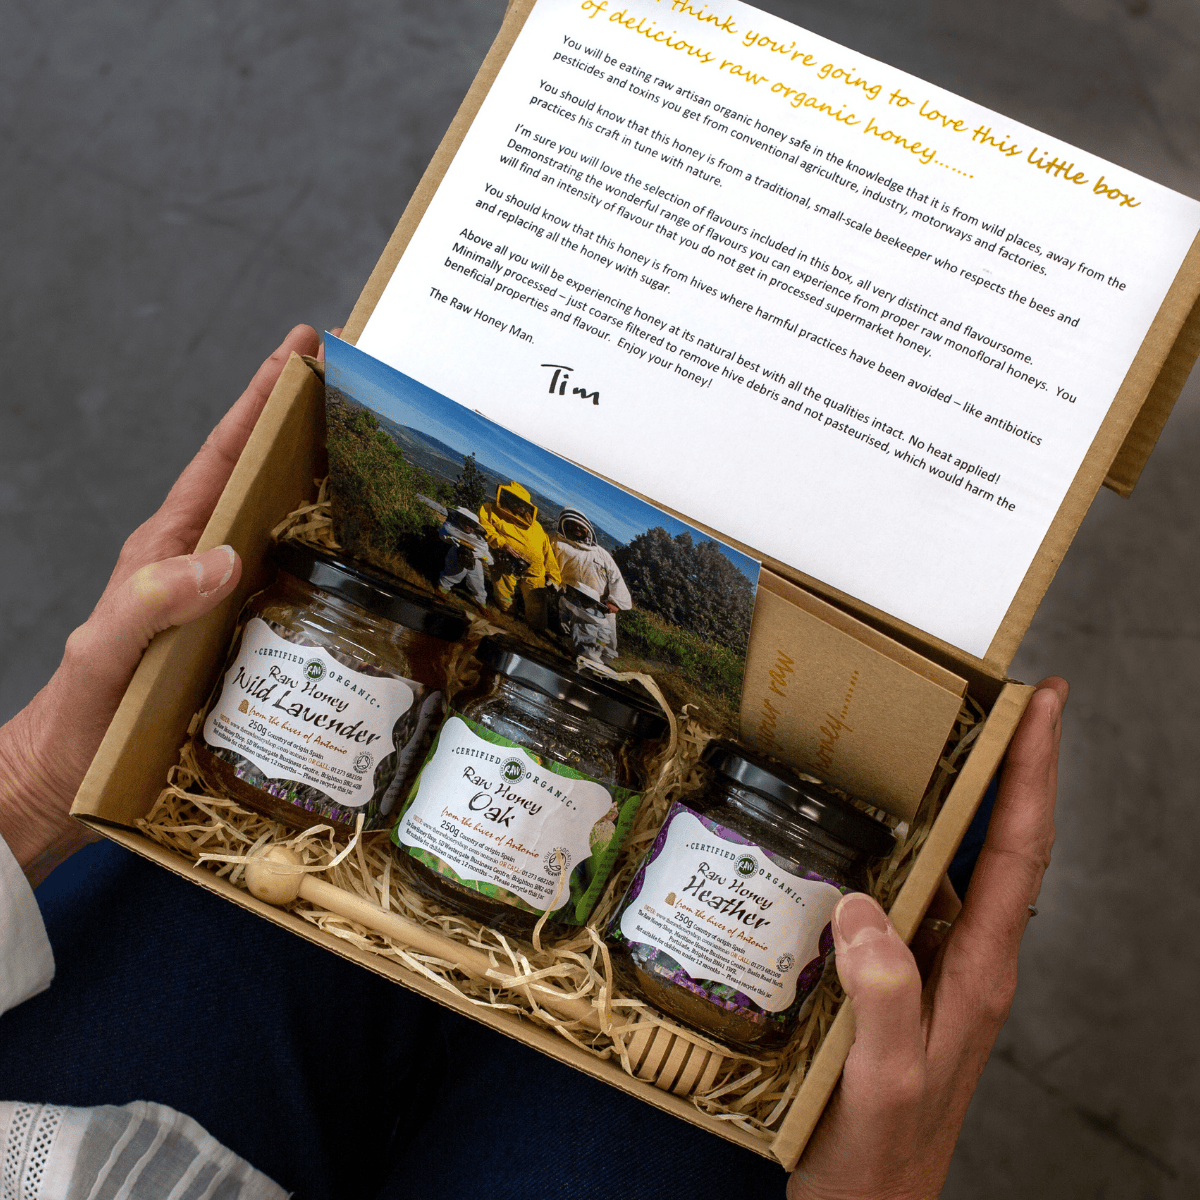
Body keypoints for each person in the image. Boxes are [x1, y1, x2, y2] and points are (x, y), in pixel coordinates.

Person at [0, 326, 1068, 1199]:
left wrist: (30, 792)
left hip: (63, 1132)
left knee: (214, 922)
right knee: (935, 815)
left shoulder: (581, 563)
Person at [548, 507, 632, 661]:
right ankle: (576, 655)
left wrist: (614, 602)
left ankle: (605, 664)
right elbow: (547, 565)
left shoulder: (601, 553)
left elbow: (616, 577)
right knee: (574, 629)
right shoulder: (556, 543)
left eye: (581, 527)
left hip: (603, 604)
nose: (578, 530)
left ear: (588, 530)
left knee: (608, 639)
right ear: (564, 525)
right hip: (571, 596)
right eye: (573, 526)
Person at [477, 481, 560, 630]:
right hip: (506, 562)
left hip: (534, 571)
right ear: (506, 497)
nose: (516, 505)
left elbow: (547, 551)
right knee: (504, 595)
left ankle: (535, 632)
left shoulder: (536, 526)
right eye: (513, 500)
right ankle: (508, 618)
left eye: (520, 503)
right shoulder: (490, 509)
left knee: (537, 604)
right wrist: (503, 544)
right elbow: (485, 528)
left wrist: (553, 577)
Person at [436, 505, 493, 609]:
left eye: (473, 526)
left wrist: (481, 556)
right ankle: (441, 593)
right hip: (456, 553)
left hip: (475, 561)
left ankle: (482, 607)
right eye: (468, 524)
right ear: (462, 521)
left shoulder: (479, 540)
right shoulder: (452, 527)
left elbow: (490, 561)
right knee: (451, 575)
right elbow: (442, 534)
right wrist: (450, 539)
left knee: (478, 584)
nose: (470, 528)